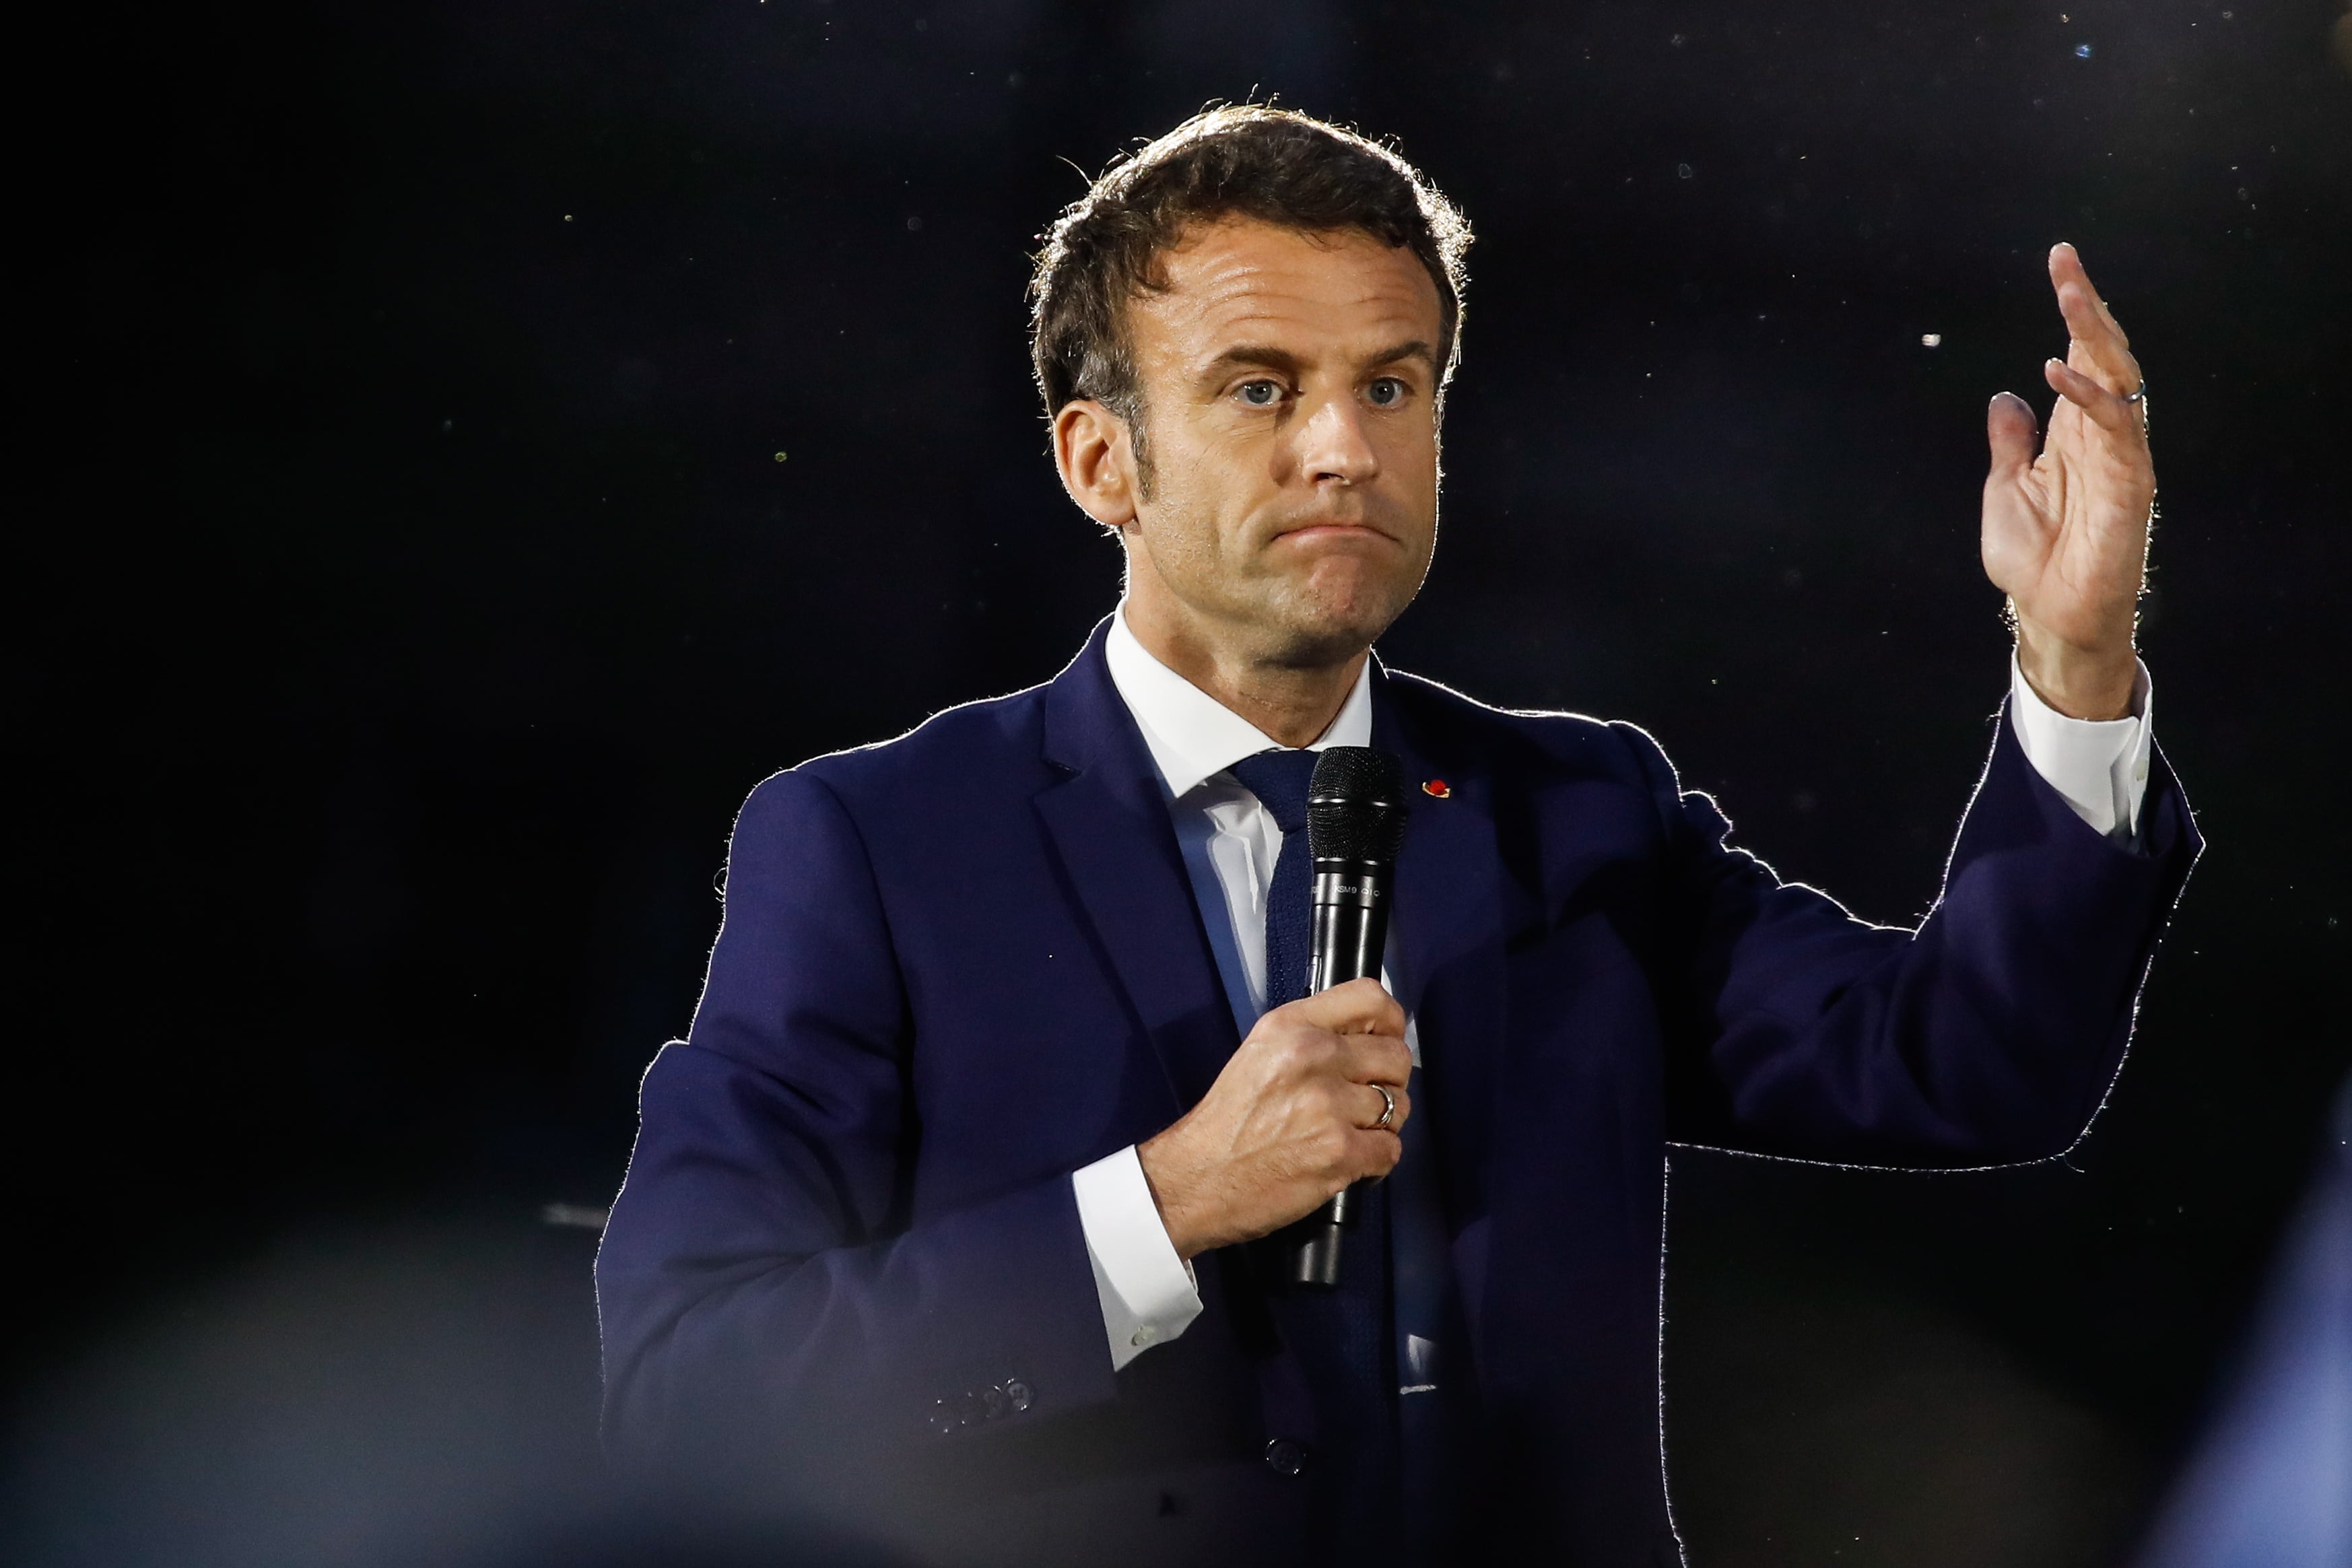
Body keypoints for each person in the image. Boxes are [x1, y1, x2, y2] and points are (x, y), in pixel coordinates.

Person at [595, 106, 2198, 1566]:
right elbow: (694, 1385)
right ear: (1101, 462)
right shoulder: (875, 846)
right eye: (1258, 388)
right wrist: (1162, 1203)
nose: (1344, 447)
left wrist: (2073, 661)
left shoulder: (1579, 818)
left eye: (1391, 383)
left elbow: (1973, 1066)